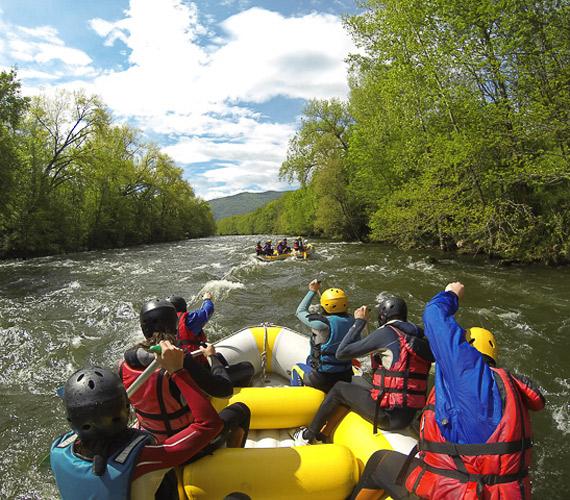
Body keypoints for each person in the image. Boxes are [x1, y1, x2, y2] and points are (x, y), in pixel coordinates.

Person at [349, 282, 545, 499]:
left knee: (379, 462)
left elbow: (434, 315)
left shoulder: (470, 377)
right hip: (503, 491)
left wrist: (451, 293)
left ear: (468, 349)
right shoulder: (511, 389)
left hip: (463, 492)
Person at [51, 340, 224, 499]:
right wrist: (177, 371)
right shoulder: (142, 459)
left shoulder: (58, 448)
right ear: (126, 408)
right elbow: (209, 424)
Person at [293, 295, 432, 445]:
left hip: (388, 415)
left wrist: (360, 321)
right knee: (354, 389)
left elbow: (342, 353)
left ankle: (307, 436)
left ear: (383, 316)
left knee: (339, 388)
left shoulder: (387, 333)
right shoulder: (420, 338)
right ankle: (324, 434)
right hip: (409, 415)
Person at [120, 299, 250, 443]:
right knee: (241, 411)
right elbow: (225, 390)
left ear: (144, 328)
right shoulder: (180, 360)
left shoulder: (124, 365)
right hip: (185, 443)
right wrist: (212, 357)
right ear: (174, 325)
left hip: (150, 440)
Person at [168, 295, 254, 387]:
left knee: (219, 356)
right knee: (247, 367)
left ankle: (226, 375)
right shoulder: (189, 320)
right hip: (199, 373)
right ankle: (230, 388)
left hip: (183, 370)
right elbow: (207, 310)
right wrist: (207, 299)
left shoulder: (164, 326)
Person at [290, 280, 355, 393]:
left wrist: (312, 291)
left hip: (323, 379)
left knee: (296, 368)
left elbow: (300, 311)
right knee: (309, 360)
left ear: (324, 306)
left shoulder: (322, 324)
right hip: (346, 376)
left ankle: (299, 399)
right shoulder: (354, 322)